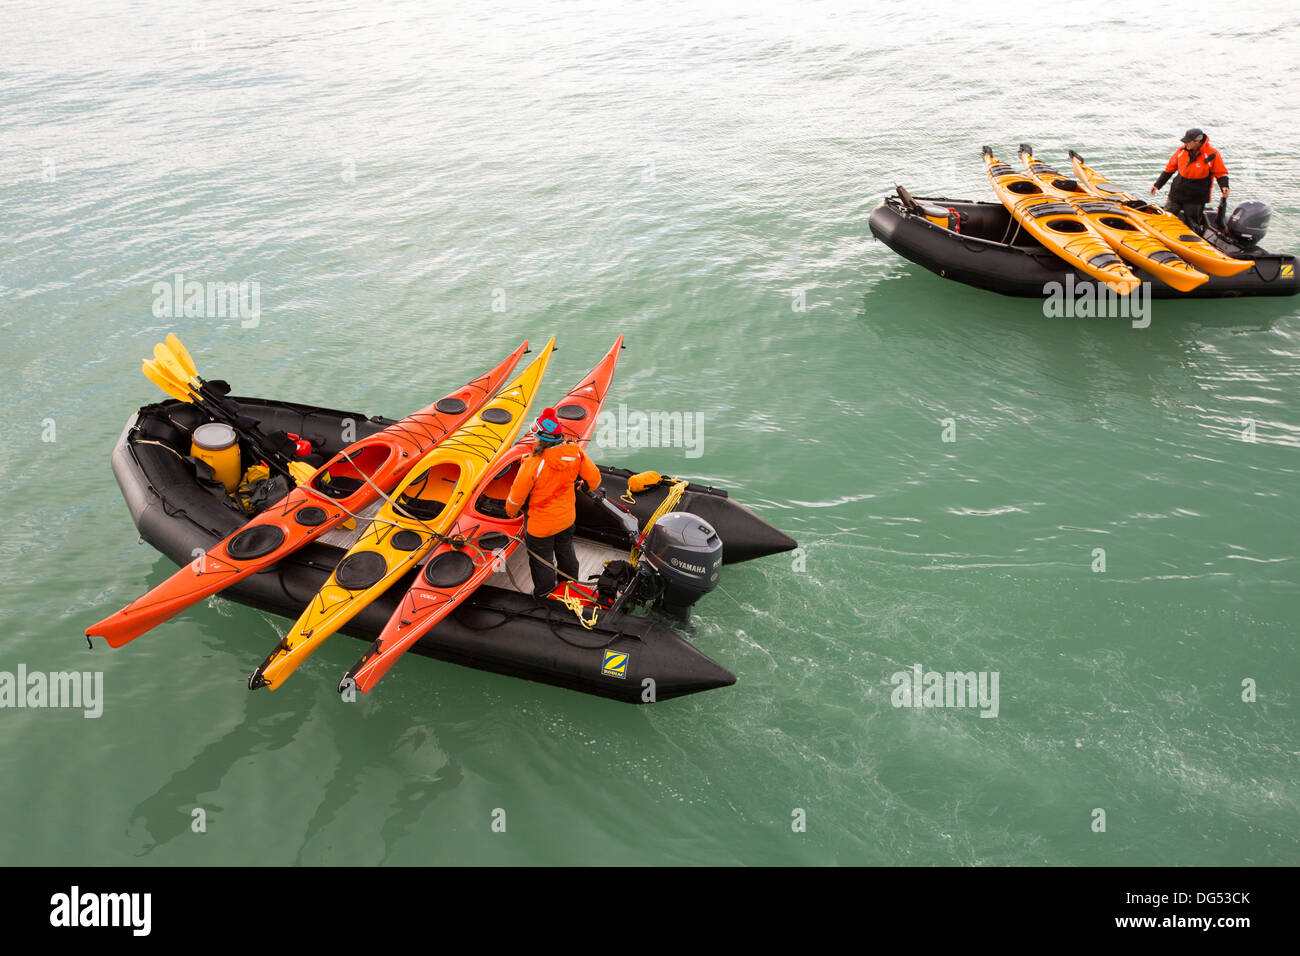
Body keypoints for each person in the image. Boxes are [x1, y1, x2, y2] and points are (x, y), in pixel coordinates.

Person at [504, 407, 601, 599]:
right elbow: (595, 479)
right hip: (566, 518)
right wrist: (586, 486)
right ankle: (570, 585)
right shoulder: (575, 452)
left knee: (542, 561)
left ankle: (545, 594)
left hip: (540, 527)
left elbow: (516, 498)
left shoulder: (532, 464)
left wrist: (510, 512)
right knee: (565, 550)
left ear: (539, 439)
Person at [1150, 128, 1229, 228]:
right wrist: (1157, 185)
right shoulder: (1181, 151)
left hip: (1196, 196)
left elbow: (1221, 173)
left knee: (1192, 223)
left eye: (1188, 141)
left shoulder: (1212, 154)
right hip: (1177, 192)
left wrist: (1224, 186)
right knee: (1167, 217)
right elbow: (1169, 169)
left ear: (1197, 141)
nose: (1185, 144)